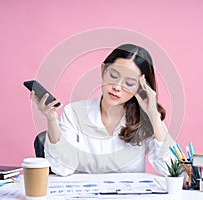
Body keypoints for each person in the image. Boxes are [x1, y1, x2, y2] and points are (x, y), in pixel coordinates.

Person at [31, 44, 174, 176]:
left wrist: (153, 116)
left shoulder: (145, 119)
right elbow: (63, 168)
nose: (117, 87)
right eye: (113, 76)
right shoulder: (74, 112)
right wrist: (51, 119)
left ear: (141, 87)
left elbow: (173, 171)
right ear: (103, 70)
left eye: (129, 83)